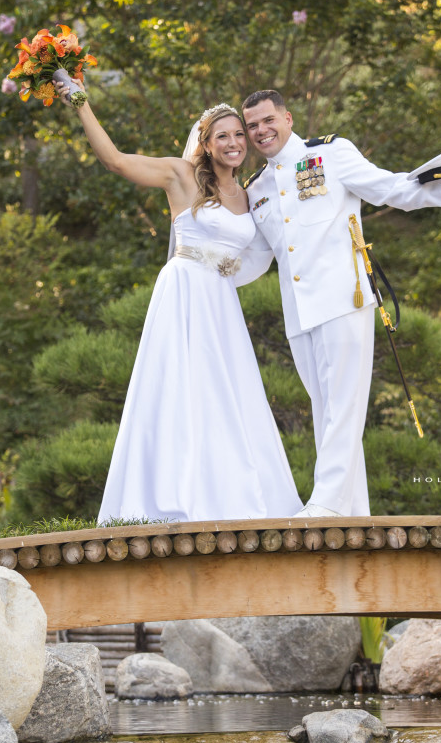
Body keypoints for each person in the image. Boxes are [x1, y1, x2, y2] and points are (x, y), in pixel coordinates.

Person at [53, 77, 302, 524]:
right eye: (221, 135)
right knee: (178, 391)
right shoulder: (181, 176)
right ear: (205, 144)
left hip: (221, 302)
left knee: (227, 396)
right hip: (184, 291)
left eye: (238, 135)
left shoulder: (249, 195)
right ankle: (170, 497)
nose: (233, 142)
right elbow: (113, 161)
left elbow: (266, 253)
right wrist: (78, 99)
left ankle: (232, 497)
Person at [239, 89, 441, 520]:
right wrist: (203, 270)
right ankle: (352, 511)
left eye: (268, 120)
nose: (261, 131)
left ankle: (324, 503)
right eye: (252, 126)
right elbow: (257, 258)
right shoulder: (257, 188)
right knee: (327, 412)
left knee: (343, 407)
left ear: (287, 118)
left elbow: (390, 188)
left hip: (344, 299)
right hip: (299, 314)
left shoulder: (331, 154)